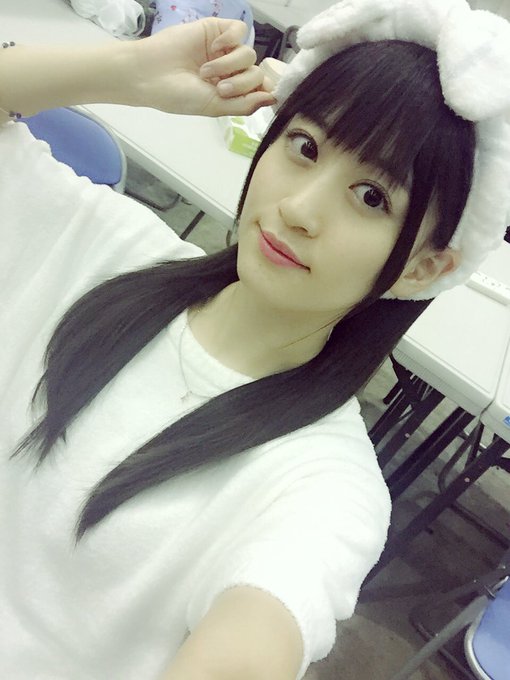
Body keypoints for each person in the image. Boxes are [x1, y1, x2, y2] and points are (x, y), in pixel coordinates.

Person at [1, 2, 509, 679]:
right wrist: (128, 71)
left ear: (423, 268)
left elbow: (261, 630)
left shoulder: (322, 489)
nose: (298, 208)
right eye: (305, 147)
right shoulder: (102, 247)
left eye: (371, 197)